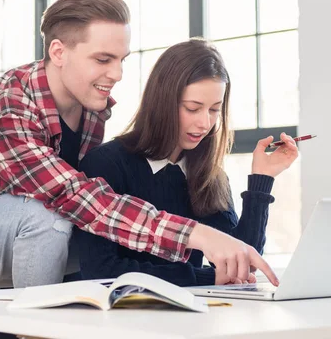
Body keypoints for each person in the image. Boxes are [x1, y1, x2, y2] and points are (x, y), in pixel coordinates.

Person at [0, 0, 279, 288]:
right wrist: (196, 235)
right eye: (103, 59)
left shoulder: (91, 105)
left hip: (44, 234)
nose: (116, 73)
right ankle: (38, 328)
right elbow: (72, 196)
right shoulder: (8, 106)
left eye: (121, 59)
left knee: (102, 246)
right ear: (58, 52)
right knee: (48, 216)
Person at [74, 38, 298, 286]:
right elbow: (100, 270)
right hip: (126, 315)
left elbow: (243, 262)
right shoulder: (106, 164)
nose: (205, 123)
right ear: (162, 103)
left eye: (214, 110)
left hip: (194, 315)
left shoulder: (208, 174)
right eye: (193, 108)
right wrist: (205, 278)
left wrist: (261, 180)